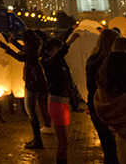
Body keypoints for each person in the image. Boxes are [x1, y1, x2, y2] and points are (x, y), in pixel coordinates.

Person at [0, 29, 50, 150]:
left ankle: (37, 140)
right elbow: (23, 50)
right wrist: (12, 43)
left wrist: (8, 50)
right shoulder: (34, 46)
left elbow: (22, 57)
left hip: (32, 83)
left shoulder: (32, 50)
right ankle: (37, 138)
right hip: (35, 82)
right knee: (31, 110)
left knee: (31, 111)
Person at [40, 32, 80, 164]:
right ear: (52, 50)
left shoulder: (59, 62)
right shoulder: (47, 62)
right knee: (63, 141)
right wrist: (70, 42)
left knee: (65, 141)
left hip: (63, 103)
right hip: (56, 103)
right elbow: (58, 56)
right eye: (57, 48)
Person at [85, 28, 120, 164]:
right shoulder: (111, 62)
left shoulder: (92, 60)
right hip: (111, 107)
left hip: (96, 107)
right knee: (115, 149)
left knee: (108, 148)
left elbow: (90, 86)